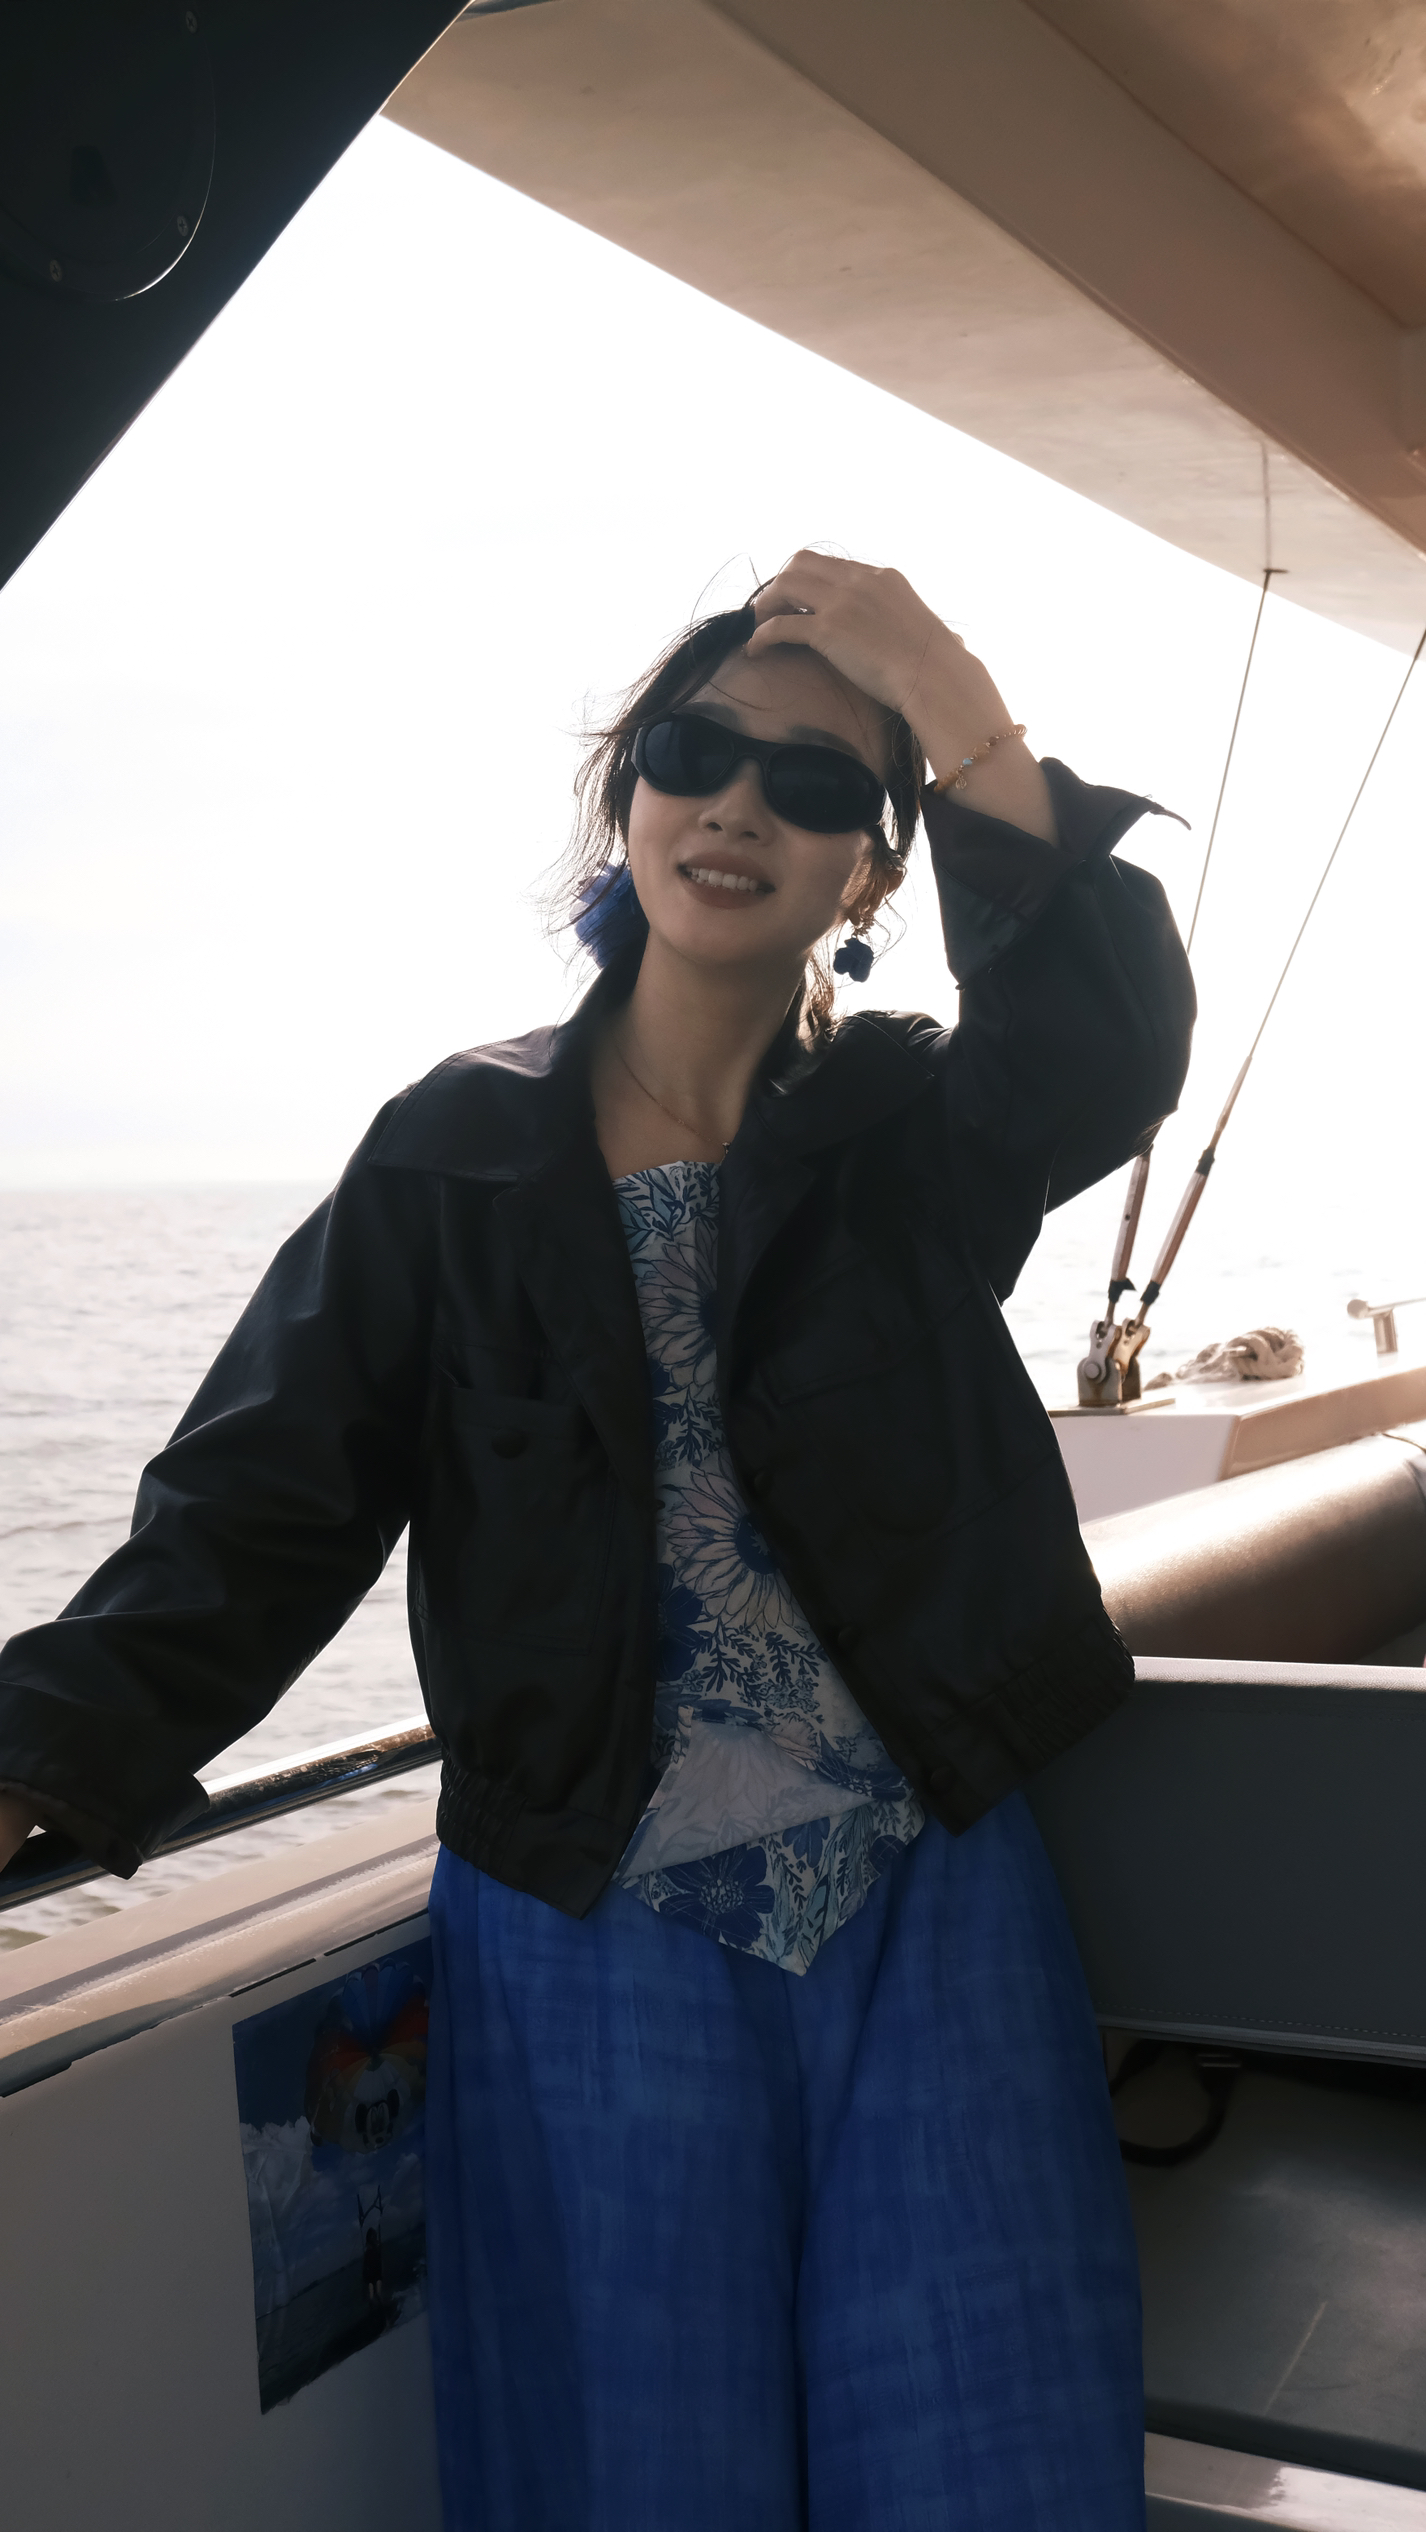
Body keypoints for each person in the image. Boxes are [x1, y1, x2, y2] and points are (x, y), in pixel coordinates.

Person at [0, 553, 1194, 2530]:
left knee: (988, 2465)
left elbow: (1100, 1043)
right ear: (625, 791)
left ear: (869, 870)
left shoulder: (912, 1133)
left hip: (922, 1898)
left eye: (814, 783)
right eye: (693, 752)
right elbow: (259, 1507)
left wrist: (941, 679)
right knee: (637, 2481)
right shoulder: (450, 1154)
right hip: (586, 1925)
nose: (733, 806)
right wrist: (34, 1757)